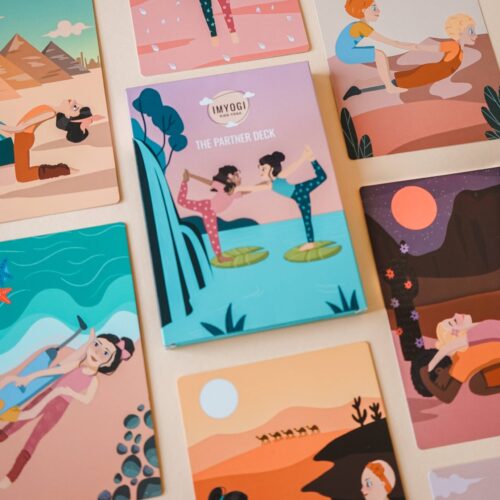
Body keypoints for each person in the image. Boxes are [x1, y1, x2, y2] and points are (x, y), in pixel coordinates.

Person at [0, 329, 134, 489]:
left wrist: (69, 392)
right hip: (47, 394)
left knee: (35, 437)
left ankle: (11, 477)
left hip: (59, 406)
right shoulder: (76, 364)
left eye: (105, 353)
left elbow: (87, 399)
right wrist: (30, 377)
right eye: (96, 344)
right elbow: (54, 371)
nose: (97, 352)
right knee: (16, 423)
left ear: (108, 363)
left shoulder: (93, 380)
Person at [344, 13, 478, 100]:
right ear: (460, 31)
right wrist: (399, 44)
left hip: (428, 76)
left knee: (393, 79)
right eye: (471, 31)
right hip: (425, 74)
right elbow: (421, 48)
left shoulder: (461, 51)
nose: (475, 35)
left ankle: (359, 86)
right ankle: (358, 88)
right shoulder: (453, 46)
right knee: (393, 82)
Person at [236, 146, 325, 252]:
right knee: (307, 217)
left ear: (272, 168)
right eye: (260, 169)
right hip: (298, 194)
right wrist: (238, 189)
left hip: (300, 192)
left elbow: (293, 167)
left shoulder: (280, 176)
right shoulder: (269, 184)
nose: (261, 172)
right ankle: (310, 243)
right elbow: (254, 188)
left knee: (307, 216)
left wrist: (304, 157)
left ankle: (311, 158)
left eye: (263, 169)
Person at [0, 100, 103, 183]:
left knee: (23, 176)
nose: (73, 101)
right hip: (22, 137)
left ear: (69, 115)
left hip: (22, 139)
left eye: (75, 107)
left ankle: (62, 170)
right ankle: (63, 170)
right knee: (22, 175)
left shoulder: (50, 113)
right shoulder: (50, 109)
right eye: (76, 105)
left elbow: (20, 128)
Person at [412, 314, 500, 403]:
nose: (446, 387)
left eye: (441, 386)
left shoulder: (461, 361)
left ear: (439, 370)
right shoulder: (461, 353)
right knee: (478, 382)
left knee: (477, 385)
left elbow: (448, 397)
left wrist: (425, 377)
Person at [336, 0, 416, 95]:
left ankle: (389, 85)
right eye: (374, 8)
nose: (378, 11)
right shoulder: (361, 27)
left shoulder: (359, 25)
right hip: (345, 53)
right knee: (379, 55)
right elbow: (388, 41)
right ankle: (389, 87)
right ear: (363, 10)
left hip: (344, 51)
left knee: (379, 54)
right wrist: (408, 46)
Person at [177, 166, 244, 263]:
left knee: (213, 233)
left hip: (210, 210)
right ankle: (184, 181)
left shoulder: (236, 193)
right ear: (229, 177)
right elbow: (207, 182)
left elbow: (250, 190)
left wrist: (263, 185)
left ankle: (219, 257)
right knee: (212, 233)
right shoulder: (222, 187)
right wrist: (191, 176)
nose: (240, 177)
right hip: (208, 208)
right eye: (237, 175)